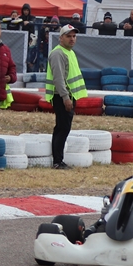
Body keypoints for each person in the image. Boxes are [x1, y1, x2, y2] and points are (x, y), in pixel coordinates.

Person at [45, 24, 87, 169]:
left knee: (63, 128)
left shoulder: (69, 52)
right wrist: (65, 97)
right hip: (62, 96)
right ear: (61, 38)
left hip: (68, 95)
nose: (72, 39)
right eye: (68, 36)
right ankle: (58, 161)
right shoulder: (58, 53)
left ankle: (58, 160)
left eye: (74, 36)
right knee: (62, 128)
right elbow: (58, 78)